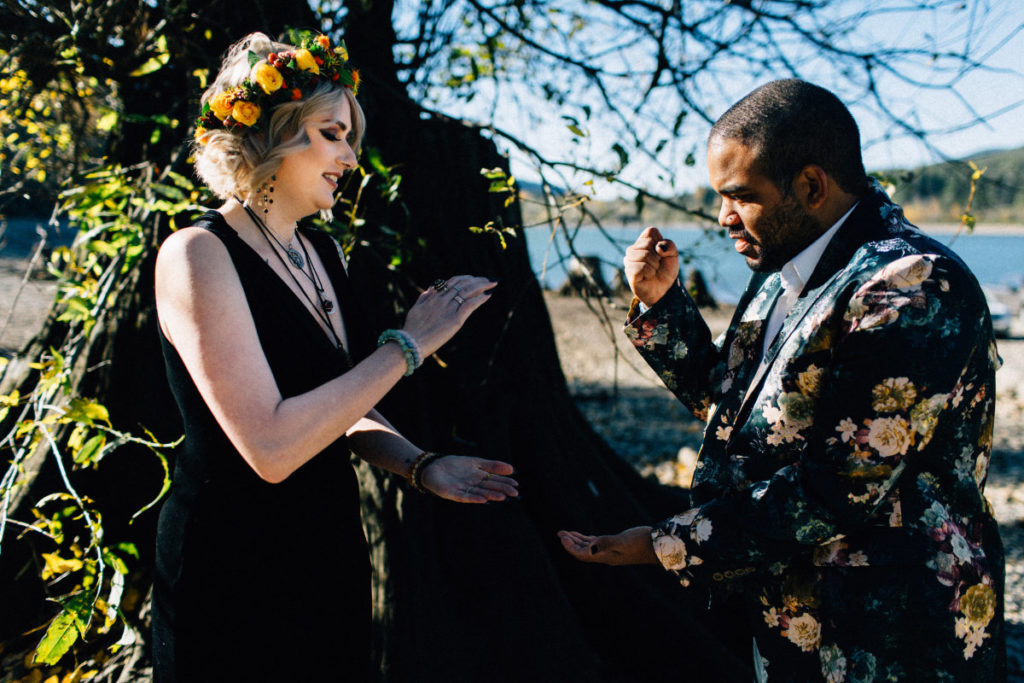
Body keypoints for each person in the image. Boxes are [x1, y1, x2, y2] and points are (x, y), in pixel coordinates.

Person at [559, 79, 1005, 681]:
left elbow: (835, 489)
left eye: (739, 196)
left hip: (896, 631)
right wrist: (663, 306)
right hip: (795, 613)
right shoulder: (785, 269)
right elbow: (743, 411)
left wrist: (662, 544)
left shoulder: (911, 288)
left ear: (811, 186)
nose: (722, 218)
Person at [152, 32, 518, 681]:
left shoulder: (323, 255)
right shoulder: (197, 255)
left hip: (326, 550)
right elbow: (270, 445)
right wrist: (409, 344)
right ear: (270, 133)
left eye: (350, 136)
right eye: (332, 133)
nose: (351, 156)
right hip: (232, 567)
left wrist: (419, 464)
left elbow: (340, 406)